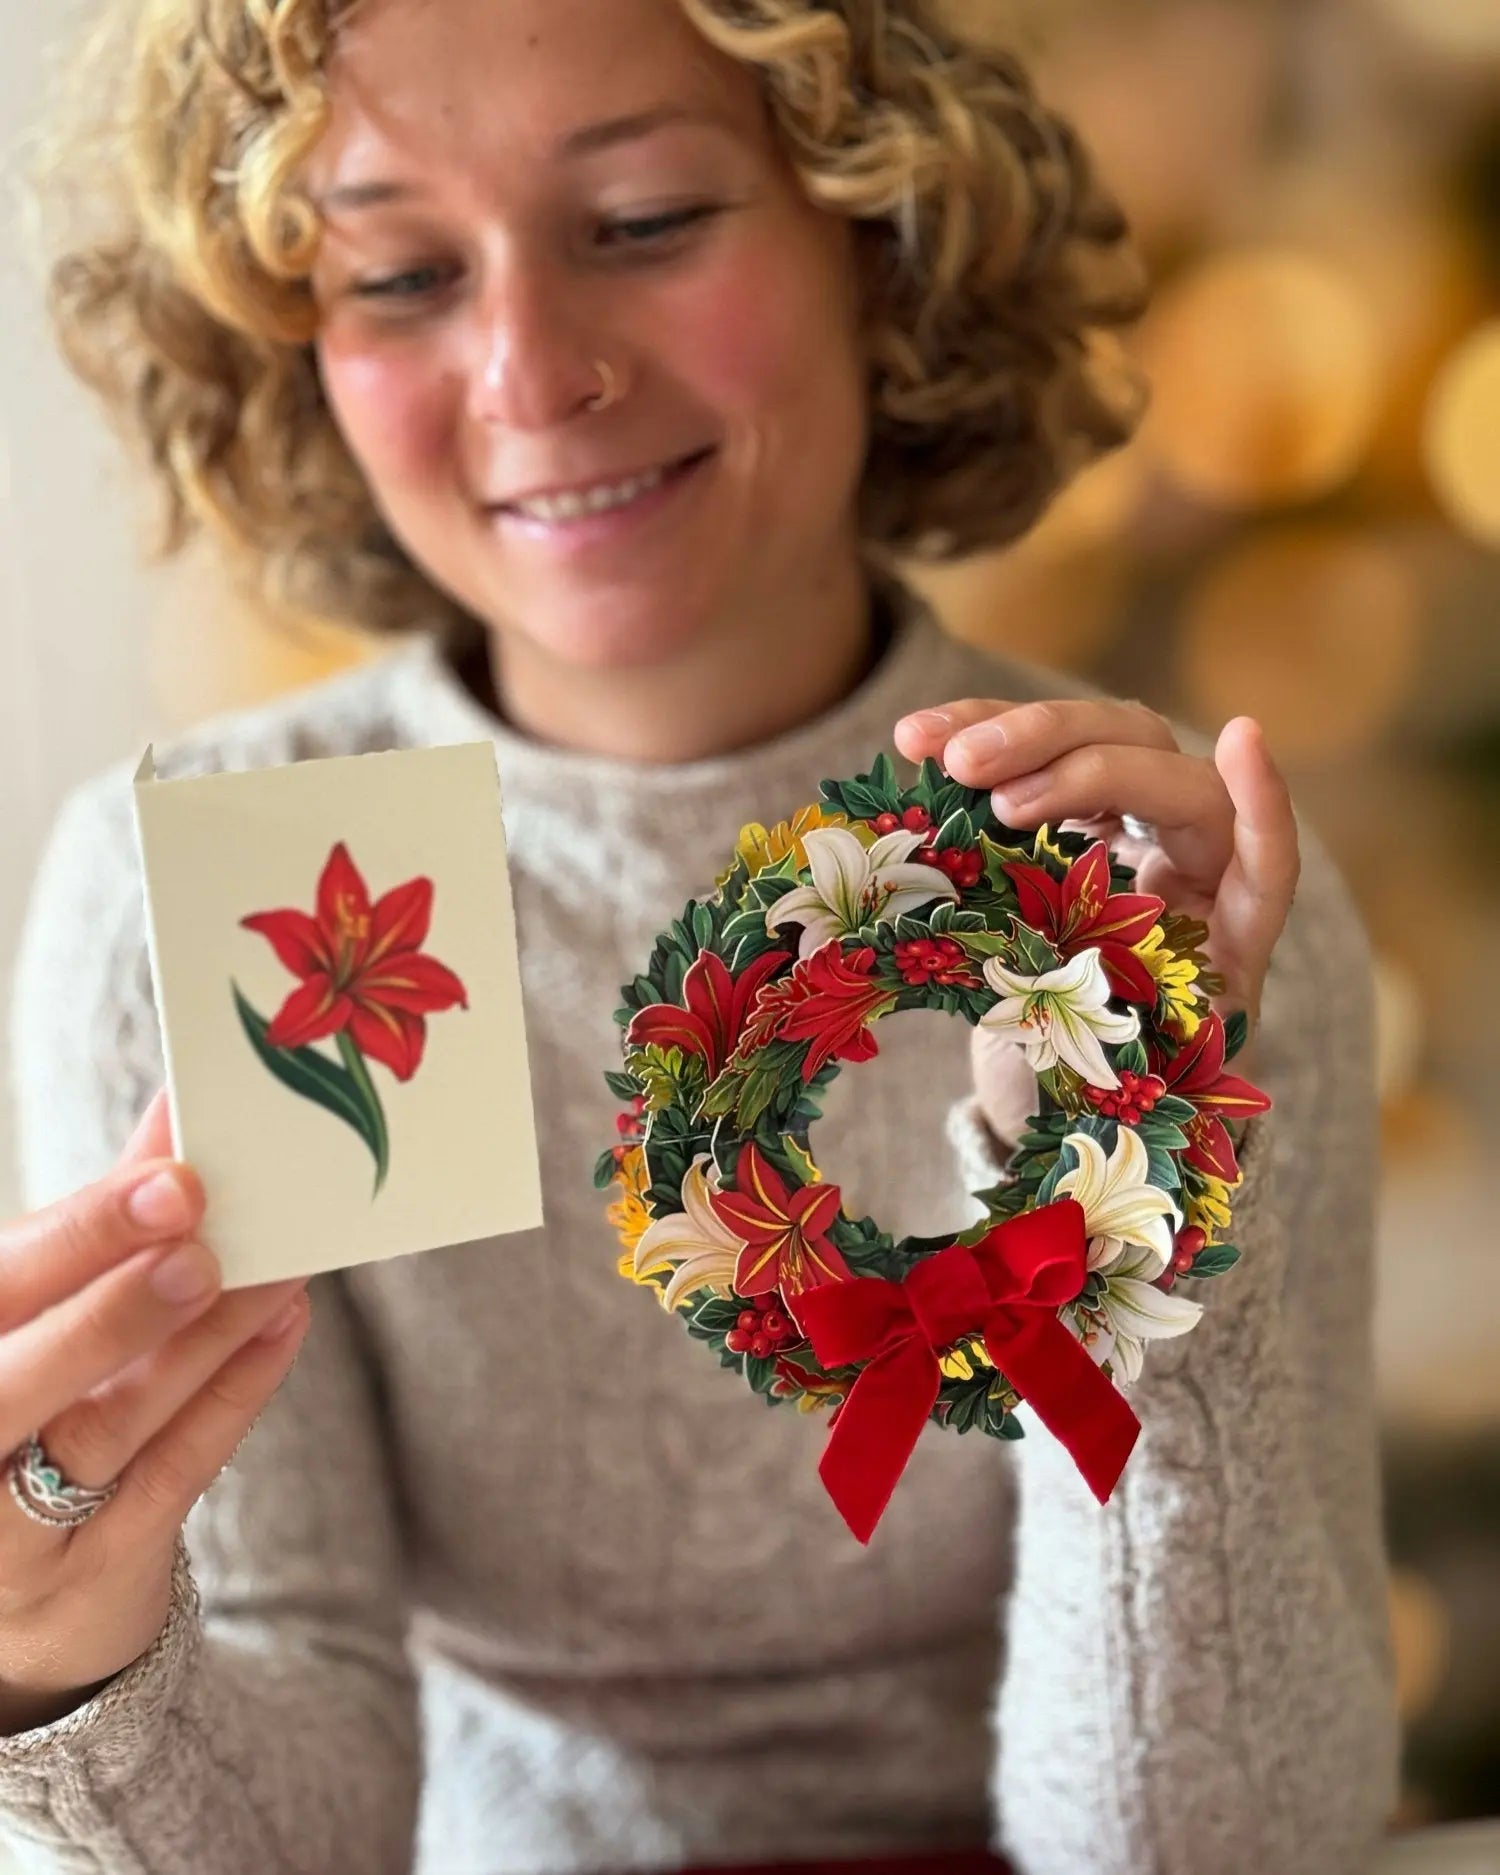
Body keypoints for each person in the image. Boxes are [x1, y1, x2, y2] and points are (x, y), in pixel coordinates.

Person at [0, 1, 1399, 1871]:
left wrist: (1127, 1183)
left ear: (879, 239)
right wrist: (65, 1670)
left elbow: (1208, 1846)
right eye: (404, 271)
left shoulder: (1168, 883)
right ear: (291, 348)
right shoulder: (207, 901)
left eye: (645, 220)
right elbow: (302, 1810)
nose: (526, 368)